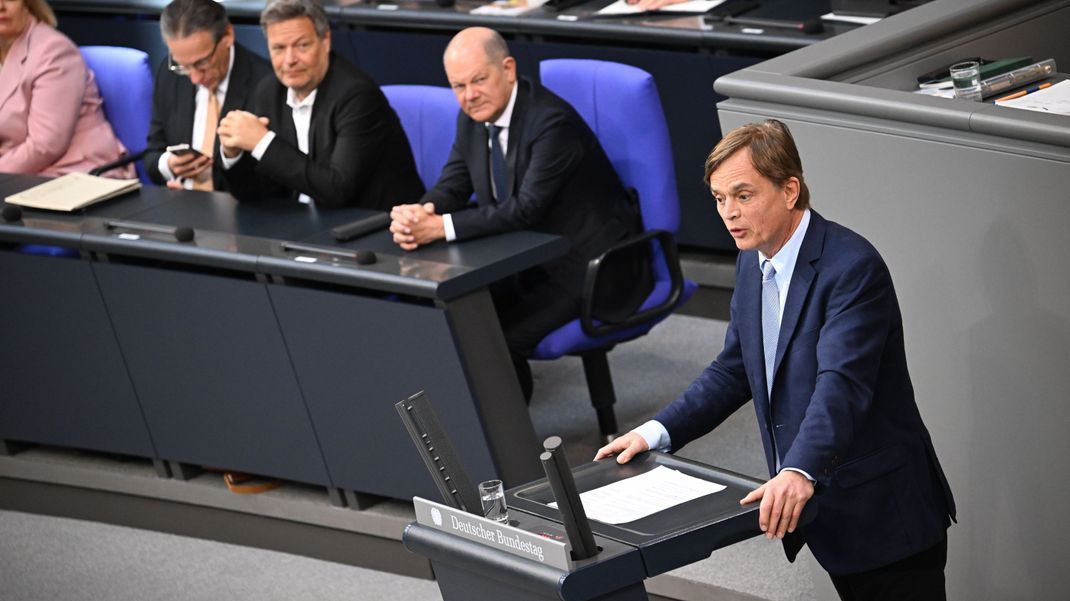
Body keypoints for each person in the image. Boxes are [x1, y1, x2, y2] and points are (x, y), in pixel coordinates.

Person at [596, 120, 956, 600]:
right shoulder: (753, 257)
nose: (729, 213)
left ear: (789, 190)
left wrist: (797, 470)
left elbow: (841, 384)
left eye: (743, 195)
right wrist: (655, 432)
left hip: (884, 512)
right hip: (830, 508)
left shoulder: (852, 269)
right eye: (720, 199)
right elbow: (734, 369)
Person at [389, 27, 646, 401]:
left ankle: (512, 453)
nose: (469, 95)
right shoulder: (473, 117)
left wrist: (439, 228)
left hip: (589, 267)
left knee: (499, 342)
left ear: (508, 69)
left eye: (478, 80)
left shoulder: (550, 122)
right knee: (458, 320)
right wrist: (422, 211)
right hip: (526, 262)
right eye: (458, 86)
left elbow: (526, 209)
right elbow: (454, 184)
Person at [217, 0, 423, 209]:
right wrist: (234, 155)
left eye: (301, 45)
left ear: (325, 41)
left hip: (377, 226)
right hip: (306, 224)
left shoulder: (357, 95)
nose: (289, 60)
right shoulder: (268, 92)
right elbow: (259, 192)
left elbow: (337, 189)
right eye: (278, 48)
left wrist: (262, 142)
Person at [144, 0, 272, 191]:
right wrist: (169, 164)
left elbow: (273, 181)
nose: (194, 78)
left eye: (202, 63)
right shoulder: (170, 73)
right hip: (179, 204)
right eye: (184, 66)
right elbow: (152, 152)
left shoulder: (267, 85)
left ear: (227, 35)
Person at [0, 0, 132, 177]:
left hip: (77, 170)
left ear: (28, 4)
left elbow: (45, 146)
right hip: (24, 171)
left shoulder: (53, 51)